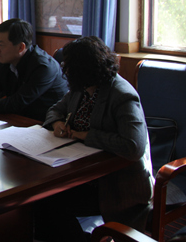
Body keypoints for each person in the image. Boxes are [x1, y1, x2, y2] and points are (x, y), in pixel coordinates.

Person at [33, 36, 154, 241]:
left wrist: (88, 135)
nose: (64, 70)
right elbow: (55, 109)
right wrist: (57, 123)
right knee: (40, 200)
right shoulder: (82, 89)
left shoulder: (122, 95)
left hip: (116, 184)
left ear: (81, 69)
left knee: (51, 203)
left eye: (68, 66)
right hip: (84, 172)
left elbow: (134, 146)